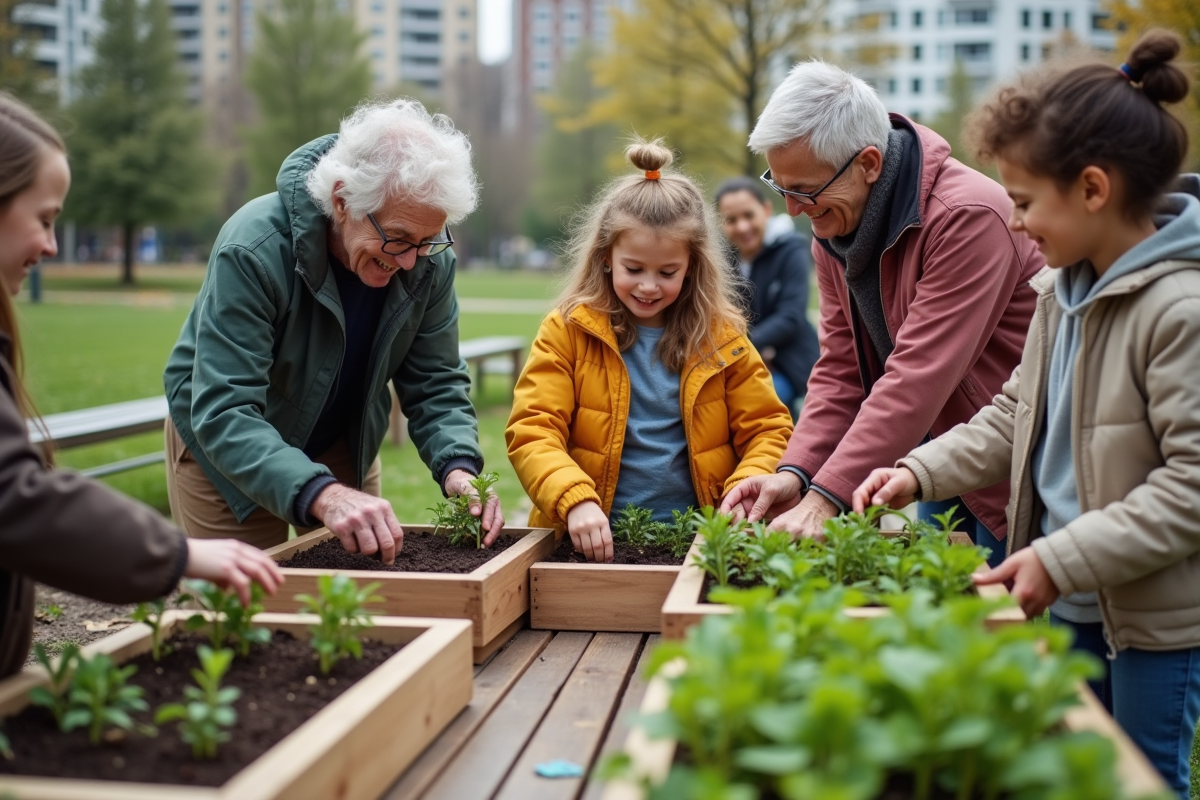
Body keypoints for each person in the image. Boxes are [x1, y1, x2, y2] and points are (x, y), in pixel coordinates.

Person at [852, 31, 1200, 797]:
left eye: (1023, 201)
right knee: (1080, 775)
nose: (1015, 223)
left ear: (1093, 189)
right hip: (1075, 597)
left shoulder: (1180, 309)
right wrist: (918, 470)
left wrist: (1058, 559)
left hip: (1152, 623)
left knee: (1139, 779)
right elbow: (1015, 415)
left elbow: (1190, 489)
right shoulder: (1059, 294)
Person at [0, 92, 282, 678]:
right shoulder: (254, 245)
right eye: (45, 219)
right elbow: (16, 499)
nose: (51, 246)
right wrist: (178, 554)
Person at [720, 60, 1044, 567]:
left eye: (805, 190)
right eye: (780, 187)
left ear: (869, 163)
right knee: (948, 619)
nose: (792, 212)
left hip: (1012, 460)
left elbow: (917, 376)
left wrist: (825, 499)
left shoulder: (966, 218)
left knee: (1010, 630)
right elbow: (840, 368)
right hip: (934, 454)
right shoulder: (834, 229)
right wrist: (796, 473)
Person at [163, 100, 504, 562]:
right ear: (342, 201)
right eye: (399, 238)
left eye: (426, 242)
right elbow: (225, 408)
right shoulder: (253, 248)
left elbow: (436, 381)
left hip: (341, 434)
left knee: (359, 600)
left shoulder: (428, 262)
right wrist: (324, 494)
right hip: (229, 442)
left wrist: (458, 467)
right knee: (247, 609)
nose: (409, 261)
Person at [505, 140, 794, 562]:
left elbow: (768, 428)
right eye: (634, 269)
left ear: (692, 266)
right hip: (588, 544)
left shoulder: (723, 337)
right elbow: (533, 429)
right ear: (606, 258)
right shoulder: (567, 330)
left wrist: (748, 486)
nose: (648, 286)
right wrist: (574, 498)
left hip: (699, 545)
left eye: (667, 272)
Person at [715, 177, 818, 416]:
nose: (742, 227)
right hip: (739, 362)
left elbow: (791, 316)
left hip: (789, 362)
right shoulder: (720, 260)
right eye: (731, 220)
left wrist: (743, 345)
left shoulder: (791, 249)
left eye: (748, 215)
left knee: (761, 404)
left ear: (766, 210)